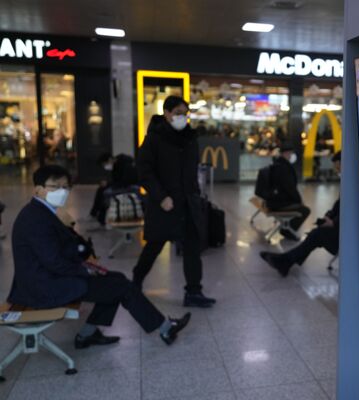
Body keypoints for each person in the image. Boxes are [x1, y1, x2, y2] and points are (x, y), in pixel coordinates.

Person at [8, 165, 191, 347]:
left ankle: (88, 334)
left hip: (49, 277)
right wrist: (86, 271)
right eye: (55, 187)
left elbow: (59, 253)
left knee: (116, 281)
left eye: (65, 187)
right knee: (119, 286)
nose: (62, 192)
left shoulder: (43, 212)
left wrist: (86, 263)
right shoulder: (36, 219)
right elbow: (53, 261)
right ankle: (165, 328)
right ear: (38, 190)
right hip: (43, 286)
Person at [133, 95, 216, 308]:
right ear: (167, 113)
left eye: (185, 114)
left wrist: (196, 196)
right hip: (165, 204)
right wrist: (161, 197)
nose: (182, 118)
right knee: (154, 246)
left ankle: (194, 292)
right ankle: (135, 284)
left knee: (192, 247)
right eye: (178, 113)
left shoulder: (190, 138)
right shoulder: (154, 138)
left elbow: (193, 170)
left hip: (188, 202)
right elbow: (144, 171)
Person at [260, 151, 341, 276]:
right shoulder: (348, 184)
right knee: (315, 234)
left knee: (316, 234)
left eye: (338, 167)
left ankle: (285, 261)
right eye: (336, 168)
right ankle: (286, 261)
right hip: (339, 229)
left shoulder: (354, 186)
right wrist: (328, 216)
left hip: (344, 235)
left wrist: (334, 223)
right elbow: (339, 205)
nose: (337, 171)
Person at [265, 143, 311, 241]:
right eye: (290, 153)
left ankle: (287, 228)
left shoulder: (278, 164)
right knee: (304, 210)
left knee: (300, 207)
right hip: (278, 203)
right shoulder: (284, 167)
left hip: (274, 200)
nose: (291, 155)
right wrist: (299, 201)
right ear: (286, 153)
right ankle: (287, 230)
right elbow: (290, 188)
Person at [89, 152, 138, 225]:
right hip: (121, 185)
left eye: (105, 164)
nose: (105, 167)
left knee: (106, 193)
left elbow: (126, 181)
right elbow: (116, 180)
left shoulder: (126, 164)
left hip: (130, 186)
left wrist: (109, 184)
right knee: (101, 189)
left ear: (109, 160)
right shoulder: (115, 165)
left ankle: (100, 218)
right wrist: (108, 184)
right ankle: (94, 214)